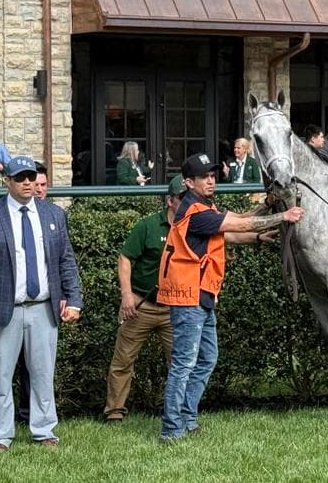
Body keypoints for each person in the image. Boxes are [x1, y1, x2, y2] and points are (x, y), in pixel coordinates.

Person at [158, 153, 302, 443]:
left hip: (201, 295)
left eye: (212, 175)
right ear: (189, 182)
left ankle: (187, 417)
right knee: (184, 364)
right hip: (189, 297)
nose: (211, 180)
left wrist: (266, 206)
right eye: (203, 177)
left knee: (207, 358)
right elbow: (240, 226)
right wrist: (283, 215)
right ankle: (172, 429)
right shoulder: (196, 211)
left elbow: (236, 223)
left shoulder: (203, 206)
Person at [0, 155, 83, 451]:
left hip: (44, 307)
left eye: (31, 177)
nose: (28, 182)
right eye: (21, 178)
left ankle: (45, 431)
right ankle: (0, 435)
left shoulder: (53, 214)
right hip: (2, 309)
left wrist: (75, 299)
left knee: (44, 374)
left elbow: (66, 260)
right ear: (7, 181)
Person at [104, 175, 183, 423]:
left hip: (176, 308)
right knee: (123, 360)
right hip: (141, 306)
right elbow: (125, 258)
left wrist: (256, 235)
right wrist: (126, 295)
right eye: (184, 198)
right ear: (170, 200)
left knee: (181, 364)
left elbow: (226, 234)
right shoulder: (148, 226)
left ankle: (180, 413)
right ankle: (114, 412)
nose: (190, 202)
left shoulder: (194, 225)